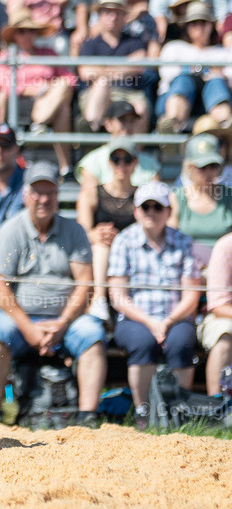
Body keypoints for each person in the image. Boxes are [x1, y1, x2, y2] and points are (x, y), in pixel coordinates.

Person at [0, 163, 106, 426]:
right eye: (37, 192)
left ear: (58, 196)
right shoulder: (10, 230)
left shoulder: (74, 231)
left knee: (93, 335)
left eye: (50, 192)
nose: (44, 199)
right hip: (20, 318)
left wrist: (63, 323)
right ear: (26, 196)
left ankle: (88, 416)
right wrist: (28, 328)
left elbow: (85, 283)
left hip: (65, 319)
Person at [108, 182, 202, 430]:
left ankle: (180, 410)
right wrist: (150, 322)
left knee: (181, 344)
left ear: (168, 211)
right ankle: (143, 413)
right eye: (145, 206)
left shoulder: (183, 241)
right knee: (143, 343)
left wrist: (169, 321)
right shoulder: (124, 240)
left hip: (176, 316)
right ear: (136, 211)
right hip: (135, 318)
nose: (151, 211)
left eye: (157, 206)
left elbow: (191, 295)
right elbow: (117, 296)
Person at [0, 10, 76, 175]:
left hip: (50, 100)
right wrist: (37, 89)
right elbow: (5, 85)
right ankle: (65, 165)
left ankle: (40, 123)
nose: (27, 35)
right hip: (21, 102)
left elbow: (71, 79)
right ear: (14, 35)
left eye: (31, 30)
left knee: (63, 93)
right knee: (63, 109)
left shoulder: (49, 53)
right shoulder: (7, 56)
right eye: (22, 31)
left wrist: (50, 89)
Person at [76, 138, 139, 322]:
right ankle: (99, 299)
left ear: (135, 163)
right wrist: (94, 235)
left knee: (103, 246)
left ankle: (104, 301)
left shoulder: (141, 195)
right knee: (101, 246)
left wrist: (121, 240)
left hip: (131, 253)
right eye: (116, 159)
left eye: (127, 159)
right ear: (109, 162)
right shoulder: (92, 193)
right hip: (102, 254)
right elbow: (81, 233)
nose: (121, 164)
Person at [77, 0, 148, 134]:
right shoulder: (90, 44)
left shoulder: (135, 41)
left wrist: (101, 71)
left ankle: (134, 152)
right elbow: (85, 73)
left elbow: (139, 66)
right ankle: (90, 133)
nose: (112, 17)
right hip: (97, 95)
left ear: (124, 16)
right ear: (100, 16)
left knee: (141, 107)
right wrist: (123, 68)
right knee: (102, 84)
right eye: (107, 12)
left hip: (129, 94)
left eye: (117, 12)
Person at [155, 1, 232, 135]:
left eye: (203, 23)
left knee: (217, 82)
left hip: (211, 98)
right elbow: (168, 75)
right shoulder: (174, 48)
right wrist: (205, 71)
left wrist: (219, 76)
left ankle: (225, 126)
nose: (199, 27)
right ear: (186, 27)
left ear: (211, 25)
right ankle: (171, 126)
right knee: (183, 81)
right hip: (174, 98)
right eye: (193, 23)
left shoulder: (223, 52)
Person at [169, 133, 232, 264]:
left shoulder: (229, 196)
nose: (209, 172)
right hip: (187, 267)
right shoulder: (177, 198)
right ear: (190, 167)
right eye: (202, 167)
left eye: (213, 166)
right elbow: (170, 239)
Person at [76, 101, 161, 190]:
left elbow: (155, 201)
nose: (128, 126)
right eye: (122, 120)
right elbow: (90, 199)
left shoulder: (151, 164)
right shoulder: (91, 163)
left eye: (132, 121)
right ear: (108, 124)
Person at [199, 231, 232, 396]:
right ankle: (217, 406)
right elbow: (218, 305)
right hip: (224, 315)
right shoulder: (226, 246)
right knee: (224, 333)